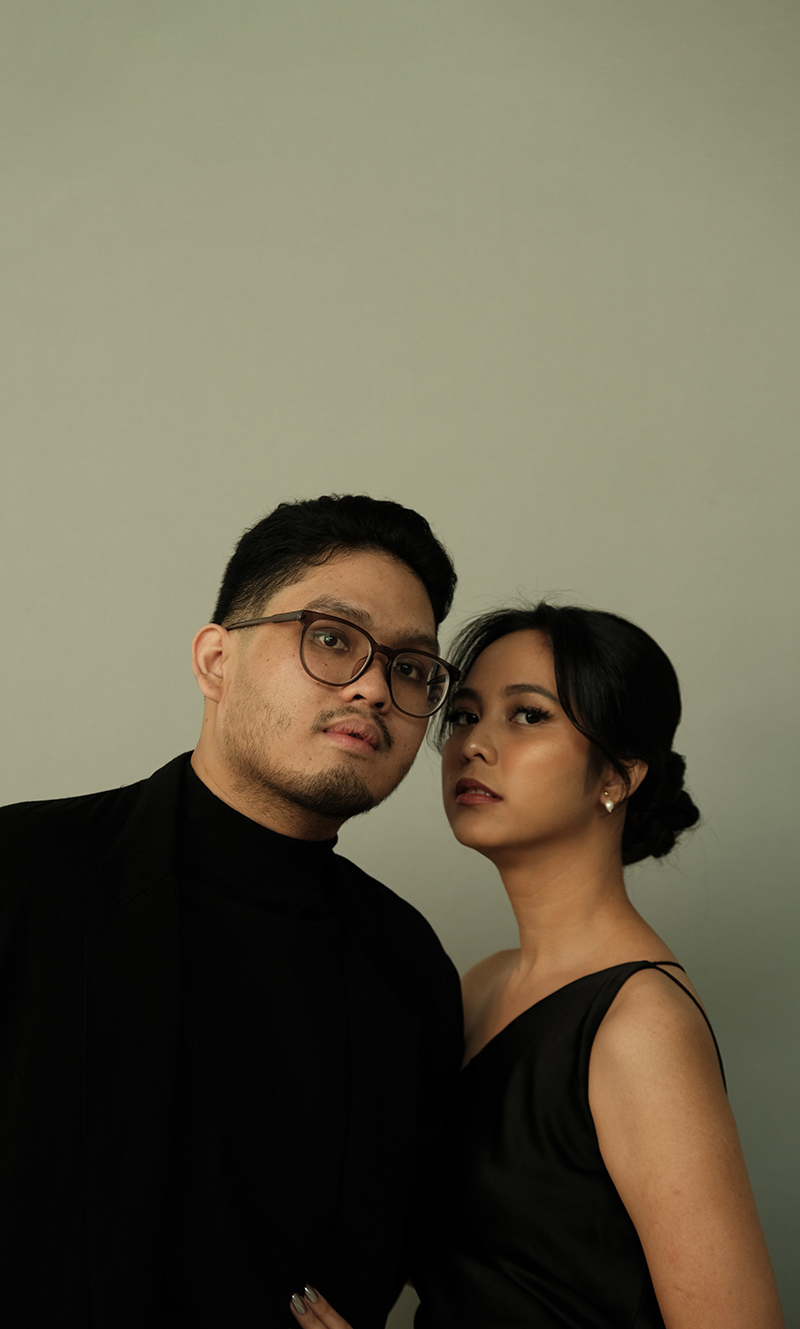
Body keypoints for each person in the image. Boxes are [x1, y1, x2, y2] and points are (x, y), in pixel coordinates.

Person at [0, 494, 464, 1329]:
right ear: (216, 660)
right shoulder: (23, 870)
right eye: (332, 638)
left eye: (409, 668)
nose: (373, 687)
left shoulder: (408, 965)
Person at [289, 602, 785, 1329]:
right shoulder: (482, 985)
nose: (473, 744)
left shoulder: (640, 1024)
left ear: (617, 773)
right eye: (464, 715)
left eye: (528, 716)